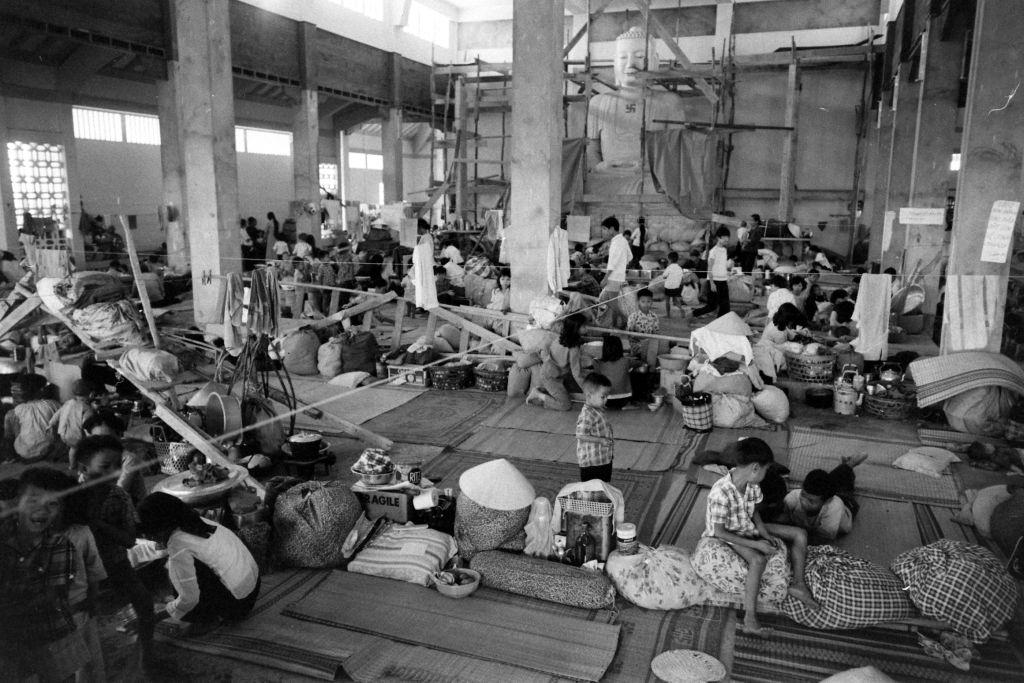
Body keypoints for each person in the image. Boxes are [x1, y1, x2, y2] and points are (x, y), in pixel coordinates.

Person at [703, 437, 819, 637]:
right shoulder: (720, 493)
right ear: (756, 468)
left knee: (800, 534)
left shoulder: (752, 485)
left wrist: (764, 532)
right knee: (758, 560)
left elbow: (754, 512)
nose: (766, 475)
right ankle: (750, 619)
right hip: (728, 534)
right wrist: (756, 543)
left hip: (746, 525)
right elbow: (720, 532)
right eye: (766, 470)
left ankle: (798, 584)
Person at [0, 468, 90, 681]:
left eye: (52, 504)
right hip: (15, 641)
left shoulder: (59, 545)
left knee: (59, 677)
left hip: (53, 634)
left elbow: (51, 597)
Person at [80, 435, 156, 667]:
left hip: (115, 562)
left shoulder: (120, 496)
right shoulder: (72, 497)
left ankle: (147, 654)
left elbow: (130, 540)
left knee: (145, 604)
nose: (114, 472)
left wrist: (99, 525)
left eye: (117, 465)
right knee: (83, 619)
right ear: (84, 467)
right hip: (81, 570)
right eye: (105, 466)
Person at [137, 492, 260, 630]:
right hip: (253, 588)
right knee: (181, 567)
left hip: (238, 606)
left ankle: (208, 620)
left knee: (177, 572)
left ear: (158, 527)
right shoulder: (194, 521)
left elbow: (189, 599)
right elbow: (158, 548)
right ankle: (211, 609)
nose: (151, 536)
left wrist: (156, 617)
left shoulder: (177, 543)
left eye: (150, 531)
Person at [586, 27, 682, 196]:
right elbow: (591, 149)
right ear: (614, 62)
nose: (630, 64)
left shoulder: (669, 103)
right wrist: (600, 166)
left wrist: (649, 168)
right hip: (609, 180)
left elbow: (677, 150)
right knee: (589, 186)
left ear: (654, 61)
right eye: (623, 57)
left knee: (658, 188)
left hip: (651, 179)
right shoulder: (598, 103)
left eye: (639, 57)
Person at [57, 470, 108, 682]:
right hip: (50, 613)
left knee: (87, 662)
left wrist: (93, 602)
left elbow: (93, 572)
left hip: (78, 608)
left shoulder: (81, 534)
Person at [776, 454, 867, 544]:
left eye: (811, 501)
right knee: (828, 480)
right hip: (825, 495)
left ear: (827, 501)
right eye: (803, 495)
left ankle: (849, 465)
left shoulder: (833, 509)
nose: (803, 502)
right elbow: (783, 516)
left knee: (846, 488)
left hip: (846, 504)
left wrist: (792, 535)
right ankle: (844, 466)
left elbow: (822, 539)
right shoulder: (793, 497)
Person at [526, 313, 588, 412]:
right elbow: (577, 373)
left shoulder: (560, 338)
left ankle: (543, 391)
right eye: (584, 326)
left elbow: (547, 350)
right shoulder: (573, 348)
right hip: (551, 377)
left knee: (565, 394)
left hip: (551, 372)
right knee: (565, 405)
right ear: (576, 328)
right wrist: (587, 390)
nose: (587, 328)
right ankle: (538, 394)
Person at [82, 410, 147, 505]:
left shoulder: (129, 459)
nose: (101, 443)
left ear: (119, 436)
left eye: (107, 438)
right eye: (96, 438)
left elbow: (118, 492)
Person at [1, 374, 61, 463]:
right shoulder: (54, 404)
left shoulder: (13, 412)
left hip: (24, 453)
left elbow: (8, 438)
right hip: (51, 451)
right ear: (42, 390)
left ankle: (11, 457)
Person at [753, 303, 809, 382]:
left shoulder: (776, 323)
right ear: (789, 320)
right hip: (769, 359)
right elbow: (784, 351)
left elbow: (789, 333)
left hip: (769, 350)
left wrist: (800, 332)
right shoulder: (779, 333)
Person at [575, 373, 614, 483]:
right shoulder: (587, 414)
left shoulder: (598, 409)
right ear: (589, 396)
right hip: (592, 463)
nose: (606, 399)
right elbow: (580, 434)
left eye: (607, 396)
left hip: (602, 458)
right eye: (603, 396)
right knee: (591, 488)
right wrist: (601, 440)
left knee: (604, 484)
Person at [49, 379, 94, 471]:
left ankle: (72, 466)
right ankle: (82, 468)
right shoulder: (87, 408)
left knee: (73, 449)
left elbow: (57, 414)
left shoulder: (68, 403)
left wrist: (50, 424)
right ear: (90, 394)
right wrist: (91, 437)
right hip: (76, 436)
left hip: (63, 434)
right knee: (83, 449)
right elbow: (86, 424)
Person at [598, 216, 631, 329]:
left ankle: (624, 320)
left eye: (604, 229)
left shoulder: (616, 242)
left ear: (611, 229)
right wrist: (622, 266)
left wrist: (605, 278)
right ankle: (616, 323)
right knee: (612, 302)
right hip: (619, 276)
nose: (603, 232)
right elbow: (630, 257)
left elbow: (612, 263)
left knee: (612, 303)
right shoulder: (623, 240)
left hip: (614, 277)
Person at [692, 226, 732, 319]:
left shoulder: (724, 250)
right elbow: (709, 267)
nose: (726, 242)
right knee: (712, 306)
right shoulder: (713, 251)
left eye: (727, 240)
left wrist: (727, 272)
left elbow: (722, 265)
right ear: (719, 238)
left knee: (725, 306)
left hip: (723, 280)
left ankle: (721, 323)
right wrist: (712, 283)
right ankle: (694, 313)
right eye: (725, 240)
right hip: (714, 281)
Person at [593, 335, 632, 409]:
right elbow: (639, 363)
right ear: (620, 348)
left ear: (604, 348)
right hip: (624, 400)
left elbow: (597, 375)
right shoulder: (626, 361)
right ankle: (627, 405)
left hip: (604, 400)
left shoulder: (597, 362)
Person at [626, 288, 661, 365]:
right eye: (643, 301)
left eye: (649, 301)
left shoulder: (654, 316)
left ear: (652, 302)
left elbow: (656, 333)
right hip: (637, 346)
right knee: (649, 353)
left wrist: (650, 341)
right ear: (638, 302)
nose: (646, 304)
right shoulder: (633, 317)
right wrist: (643, 342)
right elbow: (630, 335)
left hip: (651, 345)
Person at [662, 251, 686, 317]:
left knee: (667, 301)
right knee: (676, 301)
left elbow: (664, 276)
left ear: (669, 259)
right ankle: (681, 309)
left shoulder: (669, 267)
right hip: (676, 287)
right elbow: (681, 278)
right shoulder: (679, 268)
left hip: (668, 287)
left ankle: (668, 315)